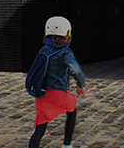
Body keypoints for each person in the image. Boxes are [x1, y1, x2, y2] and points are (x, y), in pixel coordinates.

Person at [28, 16, 86, 148]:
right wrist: (81, 85)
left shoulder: (43, 50)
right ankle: (67, 145)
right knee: (72, 111)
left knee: (40, 128)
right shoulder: (65, 53)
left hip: (42, 94)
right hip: (59, 93)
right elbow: (75, 70)